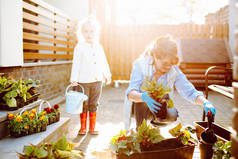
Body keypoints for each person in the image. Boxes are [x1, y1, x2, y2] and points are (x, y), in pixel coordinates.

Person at [125, 35, 216, 129]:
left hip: (159, 108)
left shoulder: (174, 71)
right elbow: (130, 93)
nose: (168, 67)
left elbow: (190, 92)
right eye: (165, 63)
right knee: (143, 99)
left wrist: (205, 102)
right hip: (139, 107)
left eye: (171, 64)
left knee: (172, 114)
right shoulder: (141, 65)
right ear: (155, 56)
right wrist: (144, 97)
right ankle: (140, 130)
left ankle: (155, 126)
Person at [70, 17, 111, 135]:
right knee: (83, 104)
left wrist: (107, 74)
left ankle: (92, 127)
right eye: (86, 31)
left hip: (97, 80)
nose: (89, 34)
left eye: (92, 31)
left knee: (94, 103)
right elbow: (76, 63)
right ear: (81, 33)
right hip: (83, 81)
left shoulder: (99, 47)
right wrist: (74, 78)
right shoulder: (80, 47)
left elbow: (104, 61)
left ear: (96, 32)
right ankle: (83, 127)